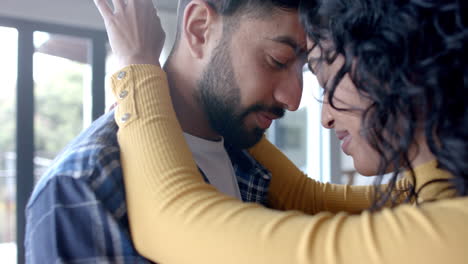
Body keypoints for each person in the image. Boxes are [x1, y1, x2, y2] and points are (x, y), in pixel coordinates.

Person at [104, 0, 468, 263]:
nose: (321, 115)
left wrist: (136, 66)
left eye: (326, 78)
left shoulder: (451, 235)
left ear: (395, 61)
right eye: (278, 61)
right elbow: (306, 198)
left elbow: (174, 225)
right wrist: (214, 107)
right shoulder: (438, 190)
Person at [24, 0, 309, 262]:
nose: (294, 99)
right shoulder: (86, 180)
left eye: (304, 68)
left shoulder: (251, 164)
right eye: (278, 60)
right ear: (199, 29)